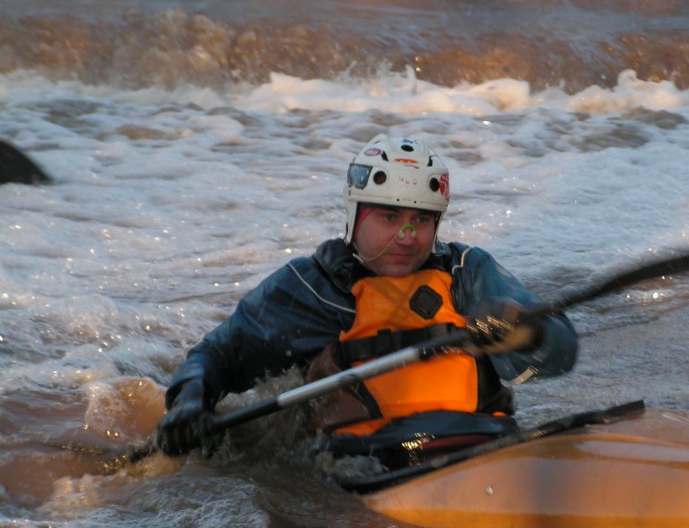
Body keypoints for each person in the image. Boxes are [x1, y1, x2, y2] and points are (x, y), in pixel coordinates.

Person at [154, 133, 578, 468]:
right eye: (390, 217)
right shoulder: (311, 289)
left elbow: (561, 352)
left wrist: (526, 332)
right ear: (355, 214)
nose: (406, 237)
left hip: (485, 445)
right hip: (370, 463)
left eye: (421, 220)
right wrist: (190, 402)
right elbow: (217, 356)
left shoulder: (467, 274)